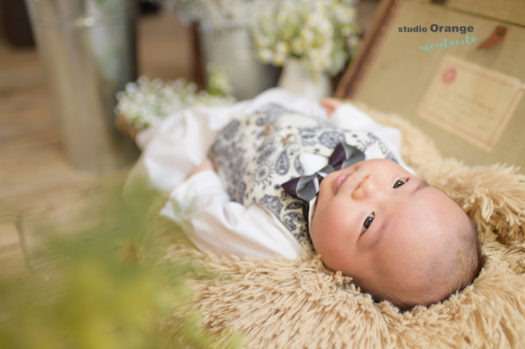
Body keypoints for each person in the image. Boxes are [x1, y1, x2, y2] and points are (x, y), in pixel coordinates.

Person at [128, 89, 481, 309]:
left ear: (343, 274)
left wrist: (202, 180)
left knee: (174, 144)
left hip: (225, 137)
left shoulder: (279, 237)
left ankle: (146, 127)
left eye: (369, 221)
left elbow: (216, 224)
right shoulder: (385, 158)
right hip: (285, 113)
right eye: (401, 184)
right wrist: (343, 113)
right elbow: (376, 132)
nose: (369, 186)